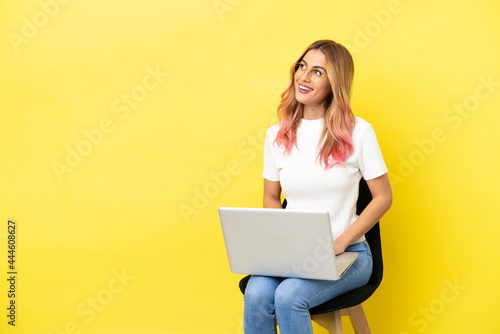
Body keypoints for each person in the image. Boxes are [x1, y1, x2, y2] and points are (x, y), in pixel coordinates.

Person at [243, 39, 393, 334]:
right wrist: (281, 245)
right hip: (293, 254)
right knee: (256, 293)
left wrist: (338, 243)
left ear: (334, 83)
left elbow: (383, 197)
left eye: (317, 72)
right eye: (301, 67)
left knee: (288, 298)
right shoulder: (277, 135)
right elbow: (271, 198)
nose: (303, 76)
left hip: (349, 255)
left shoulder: (359, 132)